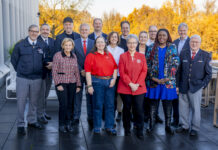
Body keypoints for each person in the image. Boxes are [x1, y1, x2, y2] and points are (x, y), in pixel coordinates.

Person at [11, 24, 47, 135]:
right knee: (21, 102)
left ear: (38, 33)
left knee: (34, 102)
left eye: (36, 32)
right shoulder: (20, 45)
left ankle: (32, 121)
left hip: (37, 78)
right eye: (32, 31)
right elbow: (14, 60)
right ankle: (21, 124)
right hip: (23, 78)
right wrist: (21, 70)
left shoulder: (41, 45)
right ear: (28, 31)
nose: (34, 33)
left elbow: (44, 60)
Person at [176, 35, 212, 136]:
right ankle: (184, 125)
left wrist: (203, 85)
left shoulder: (205, 55)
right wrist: (177, 85)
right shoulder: (183, 53)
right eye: (192, 42)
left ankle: (195, 128)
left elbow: (209, 74)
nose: (194, 44)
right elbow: (179, 71)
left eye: (196, 42)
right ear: (189, 42)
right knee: (183, 107)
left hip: (196, 87)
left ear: (200, 43)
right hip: (183, 86)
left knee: (196, 109)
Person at [145, 29, 179, 135]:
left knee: (168, 105)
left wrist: (168, 78)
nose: (161, 37)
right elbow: (147, 64)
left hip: (167, 82)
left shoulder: (172, 47)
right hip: (154, 81)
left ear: (167, 36)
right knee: (153, 105)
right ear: (157, 36)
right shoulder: (151, 47)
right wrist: (153, 77)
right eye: (159, 35)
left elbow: (176, 63)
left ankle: (168, 126)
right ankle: (151, 124)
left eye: (164, 35)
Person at [85, 36, 118, 135]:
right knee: (98, 105)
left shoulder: (109, 54)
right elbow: (87, 72)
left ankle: (109, 126)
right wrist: (89, 86)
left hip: (109, 83)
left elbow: (115, 68)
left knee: (110, 105)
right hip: (97, 82)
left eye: (102, 42)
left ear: (105, 43)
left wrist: (114, 79)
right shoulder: (91, 55)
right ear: (95, 44)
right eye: (98, 42)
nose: (100, 44)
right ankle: (97, 127)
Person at [117, 34, 147, 139]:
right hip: (125, 87)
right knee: (127, 108)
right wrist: (130, 84)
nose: (132, 45)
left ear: (137, 44)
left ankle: (139, 130)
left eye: (134, 43)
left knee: (138, 109)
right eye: (130, 42)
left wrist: (137, 84)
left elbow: (144, 71)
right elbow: (122, 72)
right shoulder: (123, 56)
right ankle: (127, 129)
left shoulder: (142, 56)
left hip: (139, 87)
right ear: (127, 44)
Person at [52, 38, 81, 133]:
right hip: (62, 83)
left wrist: (78, 85)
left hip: (72, 83)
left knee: (70, 104)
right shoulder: (58, 55)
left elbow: (76, 71)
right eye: (66, 45)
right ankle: (61, 124)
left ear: (72, 46)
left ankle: (68, 123)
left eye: (70, 45)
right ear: (63, 45)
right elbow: (54, 71)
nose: (68, 47)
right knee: (63, 104)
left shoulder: (74, 56)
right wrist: (58, 84)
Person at [74, 23, 94, 127]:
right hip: (77, 73)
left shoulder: (93, 42)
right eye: (82, 30)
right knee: (77, 96)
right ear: (79, 30)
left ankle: (90, 117)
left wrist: (87, 70)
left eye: (86, 30)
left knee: (90, 96)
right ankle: (76, 117)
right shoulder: (74, 42)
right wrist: (81, 69)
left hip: (90, 74)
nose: (84, 31)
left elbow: (95, 58)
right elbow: (72, 58)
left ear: (89, 31)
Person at [172, 23, 190, 127]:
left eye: (184, 30)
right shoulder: (175, 42)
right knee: (175, 98)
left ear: (187, 30)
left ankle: (184, 122)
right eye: (180, 30)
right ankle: (175, 119)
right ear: (178, 31)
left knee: (184, 100)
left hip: (185, 75)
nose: (182, 32)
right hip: (174, 74)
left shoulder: (190, 42)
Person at [37, 23, 55, 124]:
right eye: (43, 29)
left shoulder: (52, 41)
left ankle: (43, 112)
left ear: (49, 31)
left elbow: (56, 54)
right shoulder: (36, 40)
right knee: (41, 94)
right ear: (40, 30)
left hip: (50, 72)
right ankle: (39, 115)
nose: (45, 31)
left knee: (46, 94)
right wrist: (45, 64)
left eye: (47, 29)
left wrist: (53, 64)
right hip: (40, 73)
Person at [107, 31, 124, 122]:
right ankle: (111, 117)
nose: (114, 38)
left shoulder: (121, 50)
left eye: (116, 37)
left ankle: (119, 112)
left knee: (118, 96)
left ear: (118, 39)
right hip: (107, 76)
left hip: (118, 76)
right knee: (110, 97)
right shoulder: (105, 49)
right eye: (112, 37)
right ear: (109, 38)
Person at [136, 31, 149, 123]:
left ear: (147, 38)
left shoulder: (150, 49)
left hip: (147, 76)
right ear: (138, 38)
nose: (143, 38)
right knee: (136, 98)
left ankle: (145, 115)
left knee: (146, 97)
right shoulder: (134, 47)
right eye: (141, 37)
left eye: (145, 37)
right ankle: (136, 116)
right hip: (135, 77)